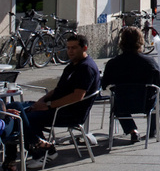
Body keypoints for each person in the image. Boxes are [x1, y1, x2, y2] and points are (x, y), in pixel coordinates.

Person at [8, 35, 100, 167]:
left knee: (21, 118)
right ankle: (40, 145)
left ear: (84, 48)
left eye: (74, 48)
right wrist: (42, 100)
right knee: (13, 107)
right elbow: (58, 90)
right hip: (54, 106)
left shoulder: (86, 68)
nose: (70, 51)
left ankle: (43, 152)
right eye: (68, 48)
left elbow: (77, 96)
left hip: (67, 113)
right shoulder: (71, 66)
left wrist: (48, 105)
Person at [101, 27, 160, 144]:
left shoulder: (113, 63)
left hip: (122, 104)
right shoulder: (149, 62)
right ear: (140, 41)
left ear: (122, 42)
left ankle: (132, 130)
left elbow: (105, 85)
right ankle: (152, 129)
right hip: (146, 103)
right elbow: (159, 83)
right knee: (158, 96)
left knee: (117, 101)